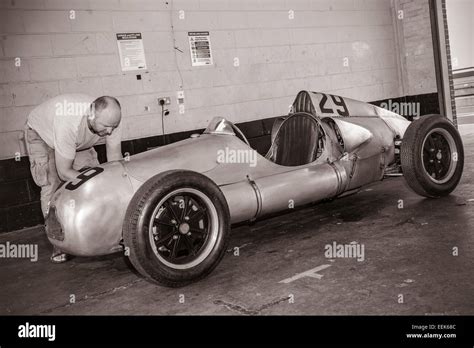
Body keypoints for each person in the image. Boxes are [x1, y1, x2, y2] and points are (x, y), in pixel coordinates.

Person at [24, 94, 123, 263]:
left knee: (98, 176)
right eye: (106, 127)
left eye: (113, 127)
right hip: (43, 136)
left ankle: (99, 233)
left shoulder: (111, 120)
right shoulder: (68, 121)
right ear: (91, 116)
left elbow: (114, 160)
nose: (110, 132)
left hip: (79, 140)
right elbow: (64, 172)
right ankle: (59, 243)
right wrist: (96, 181)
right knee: (53, 186)